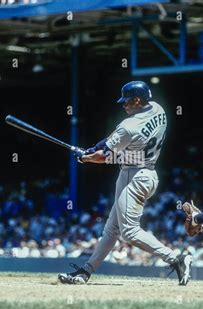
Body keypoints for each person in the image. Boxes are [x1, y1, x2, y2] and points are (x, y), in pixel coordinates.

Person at [58, 81, 192, 285]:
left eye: (127, 101)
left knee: (129, 231)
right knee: (112, 229)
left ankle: (176, 258)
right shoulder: (158, 108)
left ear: (137, 100)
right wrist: (95, 147)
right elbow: (112, 140)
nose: (124, 105)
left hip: (133, 177)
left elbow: (104, 157)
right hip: (148, 173)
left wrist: (84, 157)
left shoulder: (128, 127)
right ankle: (86, 271)